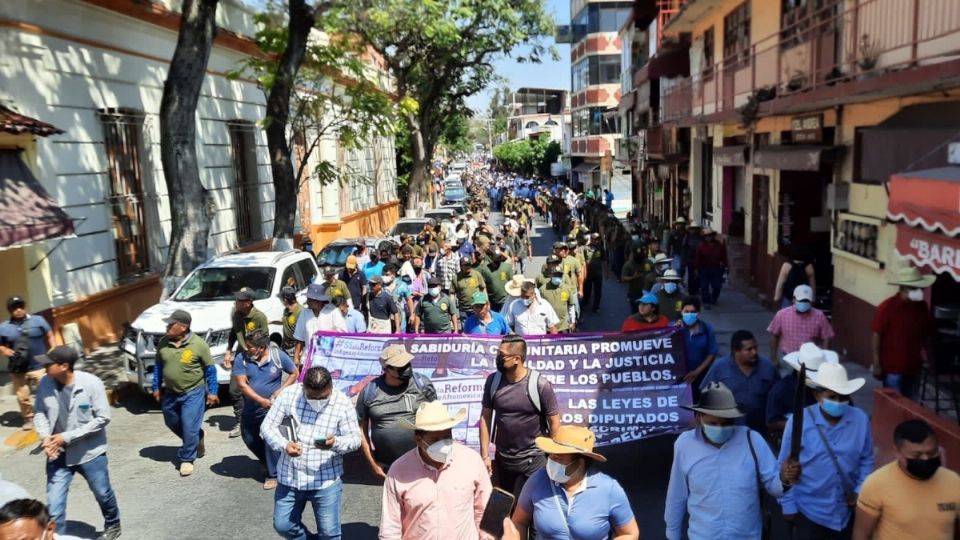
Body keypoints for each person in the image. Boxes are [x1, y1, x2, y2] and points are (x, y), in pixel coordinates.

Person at [665, 382, 789, 540]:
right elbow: (677, 494)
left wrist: (785, 479)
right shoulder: (684, 445)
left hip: (747, 536)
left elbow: (774, 487)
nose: (720, 428)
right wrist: (672, 533)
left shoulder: (753, 440)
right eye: (713, 424)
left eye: (726, 424)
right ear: (699, 418)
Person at [777, 361, 875, 540]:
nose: (838, 402)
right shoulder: (799, 422)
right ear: (817, 395)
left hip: (848, 511)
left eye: (843, 397)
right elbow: (784, 465)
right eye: (832, 397)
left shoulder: (861, 420)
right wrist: (788, 505)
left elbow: (867, 460)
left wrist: (859, 491)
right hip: (810, 512)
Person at [261, 366, 361, 540]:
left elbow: (355, 439)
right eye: (312, 397)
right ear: (303, 388)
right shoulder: (289, 395)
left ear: (331, 388)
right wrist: (284, 445)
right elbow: (267, 427)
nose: (318, 401)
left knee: (329, 533)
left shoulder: (342, 403)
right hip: (290, 476)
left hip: (325, 479)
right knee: (283, 525)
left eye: (323, 397)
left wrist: (335, 443)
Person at [33, 347, 121, 540]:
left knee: (102, 493)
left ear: (64, 366)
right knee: (54, 504)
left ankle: (113, 523)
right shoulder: (45, 383)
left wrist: (67, 436)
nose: (44, 365)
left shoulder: (91, 383)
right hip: (58, 453)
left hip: (89, 453)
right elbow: (40, 412)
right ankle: (55, 536)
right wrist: (45, 437)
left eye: (49, 363)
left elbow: (103, 418)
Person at [379, 400, 492, 540]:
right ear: (418, 440)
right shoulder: (399, 471)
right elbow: (390, 526)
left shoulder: (471, 461)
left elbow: (485, 511)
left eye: (446, 437)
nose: (443, 444)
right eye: (435, 440)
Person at [512, 425, 640, 540]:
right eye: (550, 455)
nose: (550, 461)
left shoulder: (608, 488)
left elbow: (629, 533)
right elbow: (519, 522)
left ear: (579, 462)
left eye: (558, 458)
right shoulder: (537, 481)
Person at [480, 335, 561, 499]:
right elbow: (485, 418)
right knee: (503, 507)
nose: (498, 358)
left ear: (517, 359)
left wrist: (555, 457)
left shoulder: (540, 385)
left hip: (535, 459)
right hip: (503, 459)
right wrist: (485, 456)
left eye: (502, 356)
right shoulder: (493, 382)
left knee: (535, 506)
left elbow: (554, 422)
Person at [853, 419, 960, 540]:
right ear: (897, 452)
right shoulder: (876, 483)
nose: (925, 459)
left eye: (932, 453)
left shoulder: (954, 481)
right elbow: (861, 534)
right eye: (916, 455)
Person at [152, 309, 219, 477]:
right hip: (170, 393)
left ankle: (187, 458)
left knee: (189, 425)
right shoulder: (163, 343)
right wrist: (155, 387)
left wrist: (212, 392)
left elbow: (210, 370)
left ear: (183, 327)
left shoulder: (198, 345)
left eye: (171, 324)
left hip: (193, 392)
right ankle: (197, 437)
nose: (167, 327)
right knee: (171, 421)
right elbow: (159, 367)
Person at [357, 345, 437, 480]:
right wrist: (373, 464)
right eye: (401, 367)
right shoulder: (370, 392)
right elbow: (360, 429)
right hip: (388, 468)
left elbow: (438, 420)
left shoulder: (422, 384)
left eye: (408, 364)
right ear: (386, 369)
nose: (407, 369)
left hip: (423, 465)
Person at [232, 330, 299, 490]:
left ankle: (273, 475)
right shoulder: (242, 358)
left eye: (250, 347)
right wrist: (260, 400)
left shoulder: (277, 356)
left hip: (272, 408)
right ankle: (265, 459)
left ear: (262, 347)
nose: (247, 349)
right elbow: (242, 384)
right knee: (249, 437)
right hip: (251, 406)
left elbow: (294, 373)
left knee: (269, 438)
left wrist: (281, 390)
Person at [871, 266, 936, 400]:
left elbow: (926, 334)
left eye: (920, 288)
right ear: (904, 289)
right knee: (894, 403)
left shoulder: (922, 307)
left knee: (911, 403)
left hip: (914, 366)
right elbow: (876, 335)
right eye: (915, 289)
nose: (919, 292)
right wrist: (876, 363)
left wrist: (930, 358)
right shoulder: (887, 307)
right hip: (893, 367)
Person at [700, 330, 779, 433]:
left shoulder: (767, 366)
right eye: (749, 349)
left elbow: (779, 395)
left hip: (762, 431)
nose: (754, 352)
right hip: (729, 430)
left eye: (755, 348)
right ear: (736, 351)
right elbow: (705, 395)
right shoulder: (720, 367)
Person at [0, 295, 55, 431]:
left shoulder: (38, 320)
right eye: (15, 307)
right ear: (10, 310)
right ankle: (28, 418)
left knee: (47, 390)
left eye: (21, 306)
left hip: (40, 363)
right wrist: (5, 350)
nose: (19, 310)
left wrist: (53, 351)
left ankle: (51, 413)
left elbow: (50, 335)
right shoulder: (4, 327)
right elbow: (1, 345)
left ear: (24, 307)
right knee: (22, 396)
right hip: (19, 367)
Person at [766, 343, 836, 441]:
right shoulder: (781, 390)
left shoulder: (832, 386)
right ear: (798, 370)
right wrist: (801, 426)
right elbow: (772, 422)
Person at [225, 287, 269, 438]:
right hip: (241, 355)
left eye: (239, 300)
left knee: (256, 389)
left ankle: (261, 420)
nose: (236, 302)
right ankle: (240, 421)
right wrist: (229, 350)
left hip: (256, 357)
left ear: (248, 303)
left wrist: (259, 357)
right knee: (234, 390)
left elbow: (265, 340)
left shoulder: (259, 317)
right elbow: (234, 332)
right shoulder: (237, 315)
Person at [767, 284, 835, 374]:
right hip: (789, 358)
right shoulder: (782, 315)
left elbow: (827, 337)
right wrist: (774, 358)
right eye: (801, 300)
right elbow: (774, 334)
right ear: (794, 299)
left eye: (806, 301)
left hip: (811, 360)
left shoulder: (819, 316)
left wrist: (825, 357)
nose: (804, 303)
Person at [293, 285, 347, 365]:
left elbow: (343, 334)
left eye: (310, 300)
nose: (307, 302)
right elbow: (299, 339)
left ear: (319, 300)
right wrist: (296, 358)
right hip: (309, 358)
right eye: (308, 299)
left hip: (329, 359)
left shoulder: (333, 312)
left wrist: (324, 335)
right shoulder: (304, 313)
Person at [677, 296, 718, 400]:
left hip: (702, 377)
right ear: (681, 312)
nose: (689, 314)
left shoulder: (707, 329)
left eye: (693, 311)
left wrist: (697, 372)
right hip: (679, 378)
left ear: (698, 313)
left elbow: (711, 353)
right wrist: (674, 329)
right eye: (686, 311)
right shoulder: (674, 329)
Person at [693, 228, 728, 308]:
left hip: (716, 268)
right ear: (705, 237)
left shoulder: (719, 245)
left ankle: (714, 298)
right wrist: (696, 269)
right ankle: (706, 301)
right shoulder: (701, 246)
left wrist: (726, 266)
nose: (709, 237)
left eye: (710, 236)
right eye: (707, 236)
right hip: (704, 268)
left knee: (717, 285)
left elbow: (724, 256)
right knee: (704, 286)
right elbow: (697, 258)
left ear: (713, 236)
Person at [539, 267, 577, 333]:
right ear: (550, 275)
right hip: (548, 326)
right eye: (555, 275)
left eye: (559, 275)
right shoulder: (543, 289)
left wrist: (572, 321)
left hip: (564, 326)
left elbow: (571, 306)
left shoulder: (567, 289)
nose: (557, 277)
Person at [279, 286, 303, 357]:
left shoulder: (301, 312)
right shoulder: (286, 310)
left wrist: (300, 352)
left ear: (285, 300)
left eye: (281, 299)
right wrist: (271, 322)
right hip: (284, 346)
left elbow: (304, 334)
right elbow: (284, 321)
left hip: (295, 349)